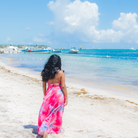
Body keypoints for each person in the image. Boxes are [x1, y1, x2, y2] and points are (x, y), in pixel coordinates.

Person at [38, 54, 68, 138]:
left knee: (47, 112)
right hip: (58, 93)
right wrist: (66, 97)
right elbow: (63, 86)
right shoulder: (61, 73)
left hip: (49, 93)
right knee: (56, 112)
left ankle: (45, 128)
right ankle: (53, 129)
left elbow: (44, 86)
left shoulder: (45, 72)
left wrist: (45, 95)